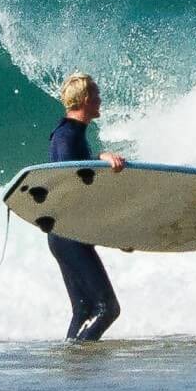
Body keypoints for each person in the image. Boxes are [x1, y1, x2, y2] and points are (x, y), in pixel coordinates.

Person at [45, 72, 128, 340]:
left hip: (66, 231)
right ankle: (77, 354)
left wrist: (98, 157)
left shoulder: (71, 134)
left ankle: (73, 357)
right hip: (69, 232)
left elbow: (78, 176)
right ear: (85, 99)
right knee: (107, 308)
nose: (100, 100)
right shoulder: (66, 136)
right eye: (97, 95)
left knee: (83, 310)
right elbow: (71, 182)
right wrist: (99, 160)